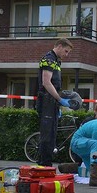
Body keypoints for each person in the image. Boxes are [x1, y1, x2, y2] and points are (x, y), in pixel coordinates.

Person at [36, 38, 73, 167]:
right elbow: (46, 82)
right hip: (46, 100)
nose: (66, 55)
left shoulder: (56, 61)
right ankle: (44, 165)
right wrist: (59, 99)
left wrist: (57, 104)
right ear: (59, 46)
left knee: (51, 135)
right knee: (47, 136)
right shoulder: (49, 59)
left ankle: (46, 165)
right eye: (66, 51)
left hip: (51, 102)